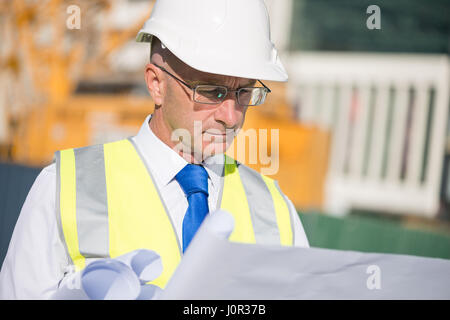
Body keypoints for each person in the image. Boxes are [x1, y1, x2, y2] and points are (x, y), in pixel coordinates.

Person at [0, 0, 309, 299]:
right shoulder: (63, 188)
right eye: (211, 92)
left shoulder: (275, 211)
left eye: (243, 93)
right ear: (157, 84)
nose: (231, 116)